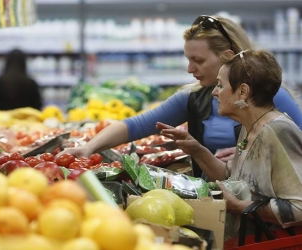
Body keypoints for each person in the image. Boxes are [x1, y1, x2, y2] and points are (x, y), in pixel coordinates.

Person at [57, 15, 302, 178]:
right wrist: (88, 148)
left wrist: (249, 154)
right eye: (188, 59)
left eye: (198, 60)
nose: (189, 69)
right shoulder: (194, 98)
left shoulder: (273, 97)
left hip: (264, 213)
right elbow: (136, 125)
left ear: (228, 57)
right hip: (215, 200)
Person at [157, 49, 302, 238]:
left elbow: (298, 207)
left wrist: (240, 207)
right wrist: (197, 150)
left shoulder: (277, 131)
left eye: (220, 85)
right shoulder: (250, 127)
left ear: (243, 91)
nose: (215, 92)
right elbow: (234, 179)